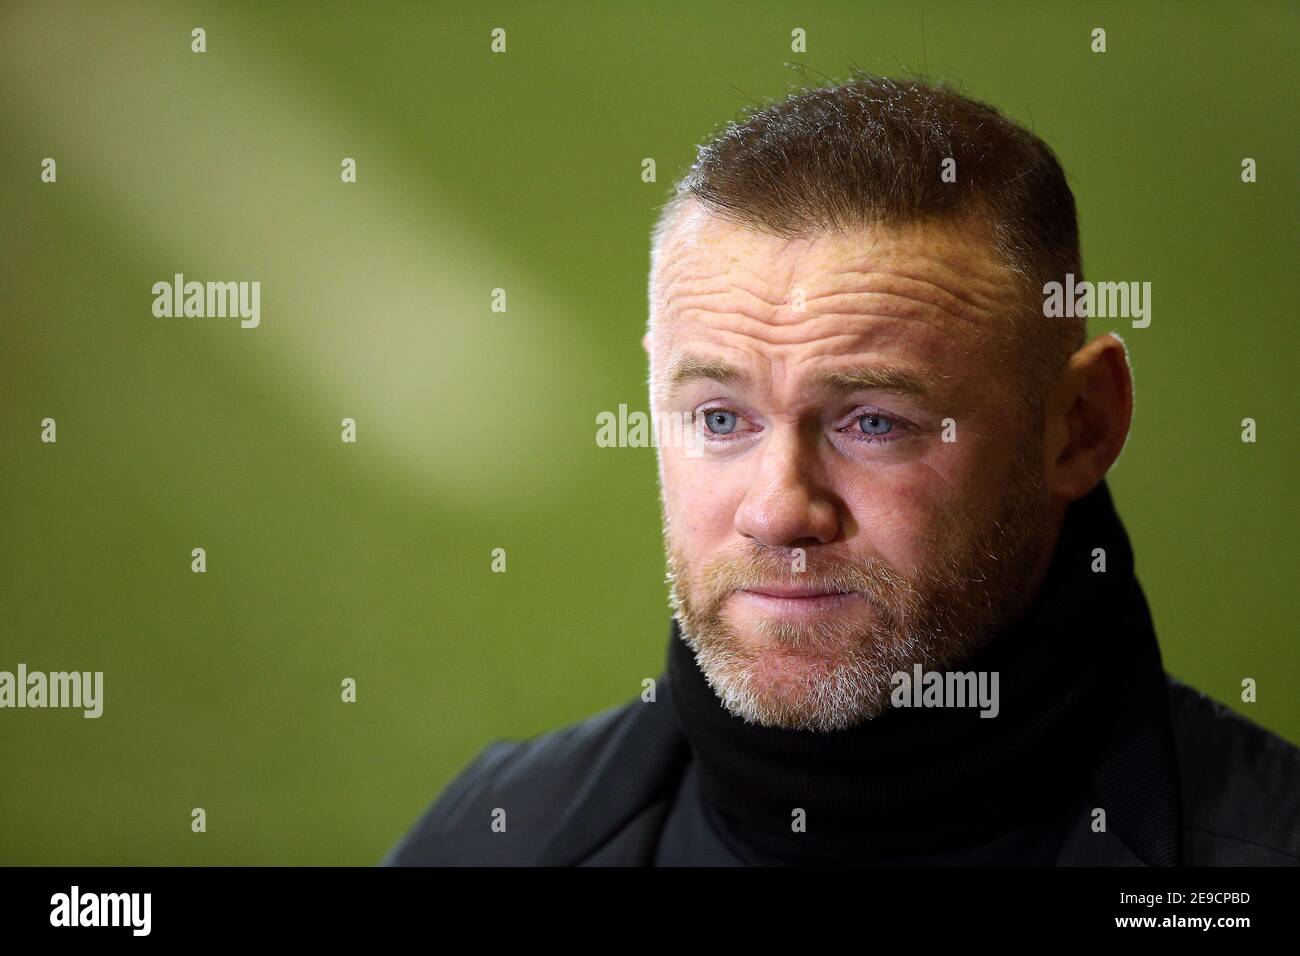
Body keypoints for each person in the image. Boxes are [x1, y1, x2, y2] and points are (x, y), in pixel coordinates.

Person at [384, 73, 1300, 866]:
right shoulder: (488, 838)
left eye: (872, 422)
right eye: (719, 416)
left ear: (1080, 427)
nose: (780, 512)